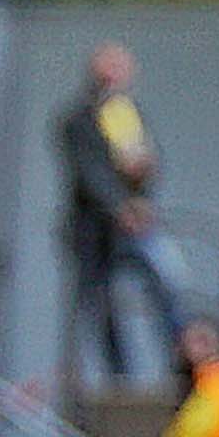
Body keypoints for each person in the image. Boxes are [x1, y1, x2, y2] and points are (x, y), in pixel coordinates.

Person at [59, 43, 175, 389]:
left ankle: (182, 364)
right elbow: (90, 172)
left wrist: (143, 182)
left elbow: (144, 163)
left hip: (135, 228)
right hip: (95, 232)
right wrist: (119, 207)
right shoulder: (77, 119)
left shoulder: (128, 113)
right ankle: (120, 379)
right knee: (101, 306)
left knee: (167, 286)